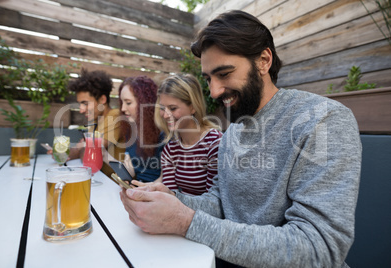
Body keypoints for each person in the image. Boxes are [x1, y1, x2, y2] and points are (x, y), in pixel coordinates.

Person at [120, 10, 362, 268]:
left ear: (263, 60)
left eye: (224, 74)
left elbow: (320, 248)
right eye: (209, 79)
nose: (214, 91)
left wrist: (186, 221)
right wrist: (173, 199)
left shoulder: (322, 120)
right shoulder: (233, 131)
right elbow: (222, 203)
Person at [154, 74, 222, 195]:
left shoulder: (214, 144)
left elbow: (213, 201)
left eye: (173, 108)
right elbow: (170, 194)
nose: (165, 115)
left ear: (192, 107)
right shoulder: (171, 148)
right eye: (162, 108)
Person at [48, 68, 125, 162]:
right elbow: (81, 149)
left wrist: (84, 145)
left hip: (110, 177)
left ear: (102, 100)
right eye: (80, 104)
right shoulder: (95, 120)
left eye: (85, 103)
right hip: (97, 175)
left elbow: (89, 156)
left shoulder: (114, 116)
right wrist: (63, 154)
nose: (81, 110)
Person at [118, 76, 163, 182]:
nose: (123, 109)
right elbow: (131, 170)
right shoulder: (131, 130)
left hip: (157, 193)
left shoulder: (163, 133)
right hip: (137, 189)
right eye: (122, 102)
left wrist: (143, 190)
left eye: (128, 103)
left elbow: (167, 180)